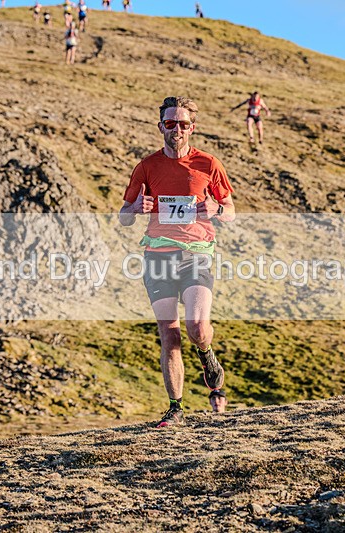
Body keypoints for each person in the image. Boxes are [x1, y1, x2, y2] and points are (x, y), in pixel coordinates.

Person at [119, 96, 236, 428]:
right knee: (169, 336)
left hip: (197, 254)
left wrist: (216, 210)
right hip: (157, 257)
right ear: (161, 127)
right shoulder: (146, 167)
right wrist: (134, 211)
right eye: (171, 123)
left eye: (183, 124)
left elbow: (230, 210)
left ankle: (206, 352)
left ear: (192, 128)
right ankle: (176, 407)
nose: (177, 129)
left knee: (198, 326)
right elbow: (123, 216)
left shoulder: (209, 165)